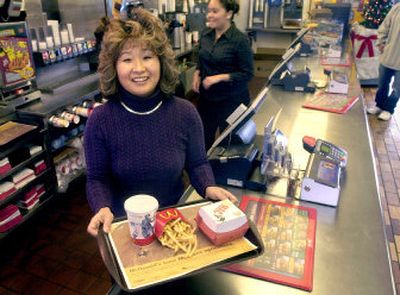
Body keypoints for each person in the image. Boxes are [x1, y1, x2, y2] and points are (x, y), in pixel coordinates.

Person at [85, 9, 237, 237]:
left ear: (161, 61)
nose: (139, 68)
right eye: (127, 59)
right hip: (123, 227)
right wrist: (102, 207)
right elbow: (97, 178)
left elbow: (197, 163)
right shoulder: (100, 120)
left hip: (174, 224)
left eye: (147, 57)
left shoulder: (185, 113)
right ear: (114, 67)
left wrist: (208, 186)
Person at [192, 0, 254, 150]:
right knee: (202, 140)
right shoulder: (205, 34)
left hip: (232, 100)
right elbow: (202, 57)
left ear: (229, 14)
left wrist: (220, 77)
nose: (209, 16)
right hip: (207, 100)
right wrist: (197, 72)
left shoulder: (240, 40)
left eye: (215, 11)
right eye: (209, 11)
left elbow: (247, 73)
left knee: (230, 144)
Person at [366, 3, 400, 121]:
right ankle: (379, 105)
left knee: (397, 88)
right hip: (389, 54)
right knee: (382, 83)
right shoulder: (396, 8)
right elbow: (384, 27)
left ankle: (389, 109)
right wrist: (381, 43)